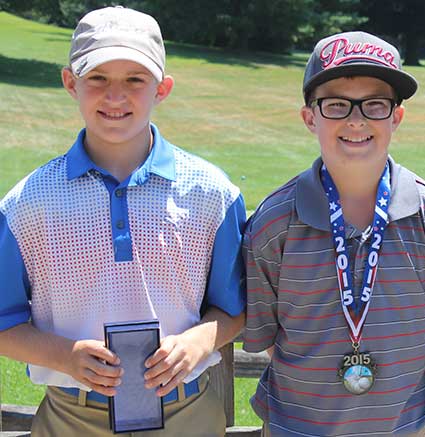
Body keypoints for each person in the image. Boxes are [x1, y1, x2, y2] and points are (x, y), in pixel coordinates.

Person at [0, 6, 246, 436]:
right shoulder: (27, 203)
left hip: (187, 415)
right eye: (97, 78)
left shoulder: (211, 193)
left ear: (162, 88)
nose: (116, 96)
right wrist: (65, 355)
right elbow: (4, 323)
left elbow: (234, 307)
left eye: (135, 80)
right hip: (72, 417)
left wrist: (199, 340)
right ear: (70, 83)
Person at [243, 31, 425, 436]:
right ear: (310, 116)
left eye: (376, 104)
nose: (357, 120)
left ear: (397, 116)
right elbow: (270, 336)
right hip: (299, 427)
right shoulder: (273, 224)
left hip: (407, 427)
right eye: (337, 105)